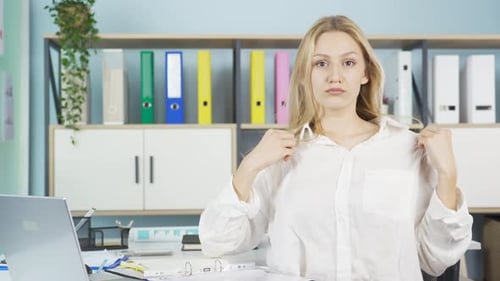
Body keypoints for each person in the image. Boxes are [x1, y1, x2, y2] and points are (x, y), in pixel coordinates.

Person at [198, 15, 473, 281]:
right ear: (305, 75)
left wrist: (448, 176)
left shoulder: (408, 149)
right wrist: (250, 166)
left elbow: (435, 260)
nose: (335, 76)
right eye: (321, 64)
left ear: (365, 73)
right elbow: (218, 242)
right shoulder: (280, 155)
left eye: (349, 63)